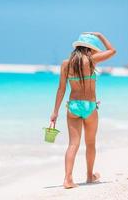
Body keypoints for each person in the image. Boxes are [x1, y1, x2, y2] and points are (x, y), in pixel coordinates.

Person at [50, 32, 116, 189]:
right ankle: (89, 176)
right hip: (90, 106)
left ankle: (68, 179)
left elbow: (61, 89)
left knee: (73, 144)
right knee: (90, 143)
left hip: (72, 106)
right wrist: (100, 35)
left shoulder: (66, 64)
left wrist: (55, 111)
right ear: (89, 49)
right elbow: (112, 51)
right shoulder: (92, 60)